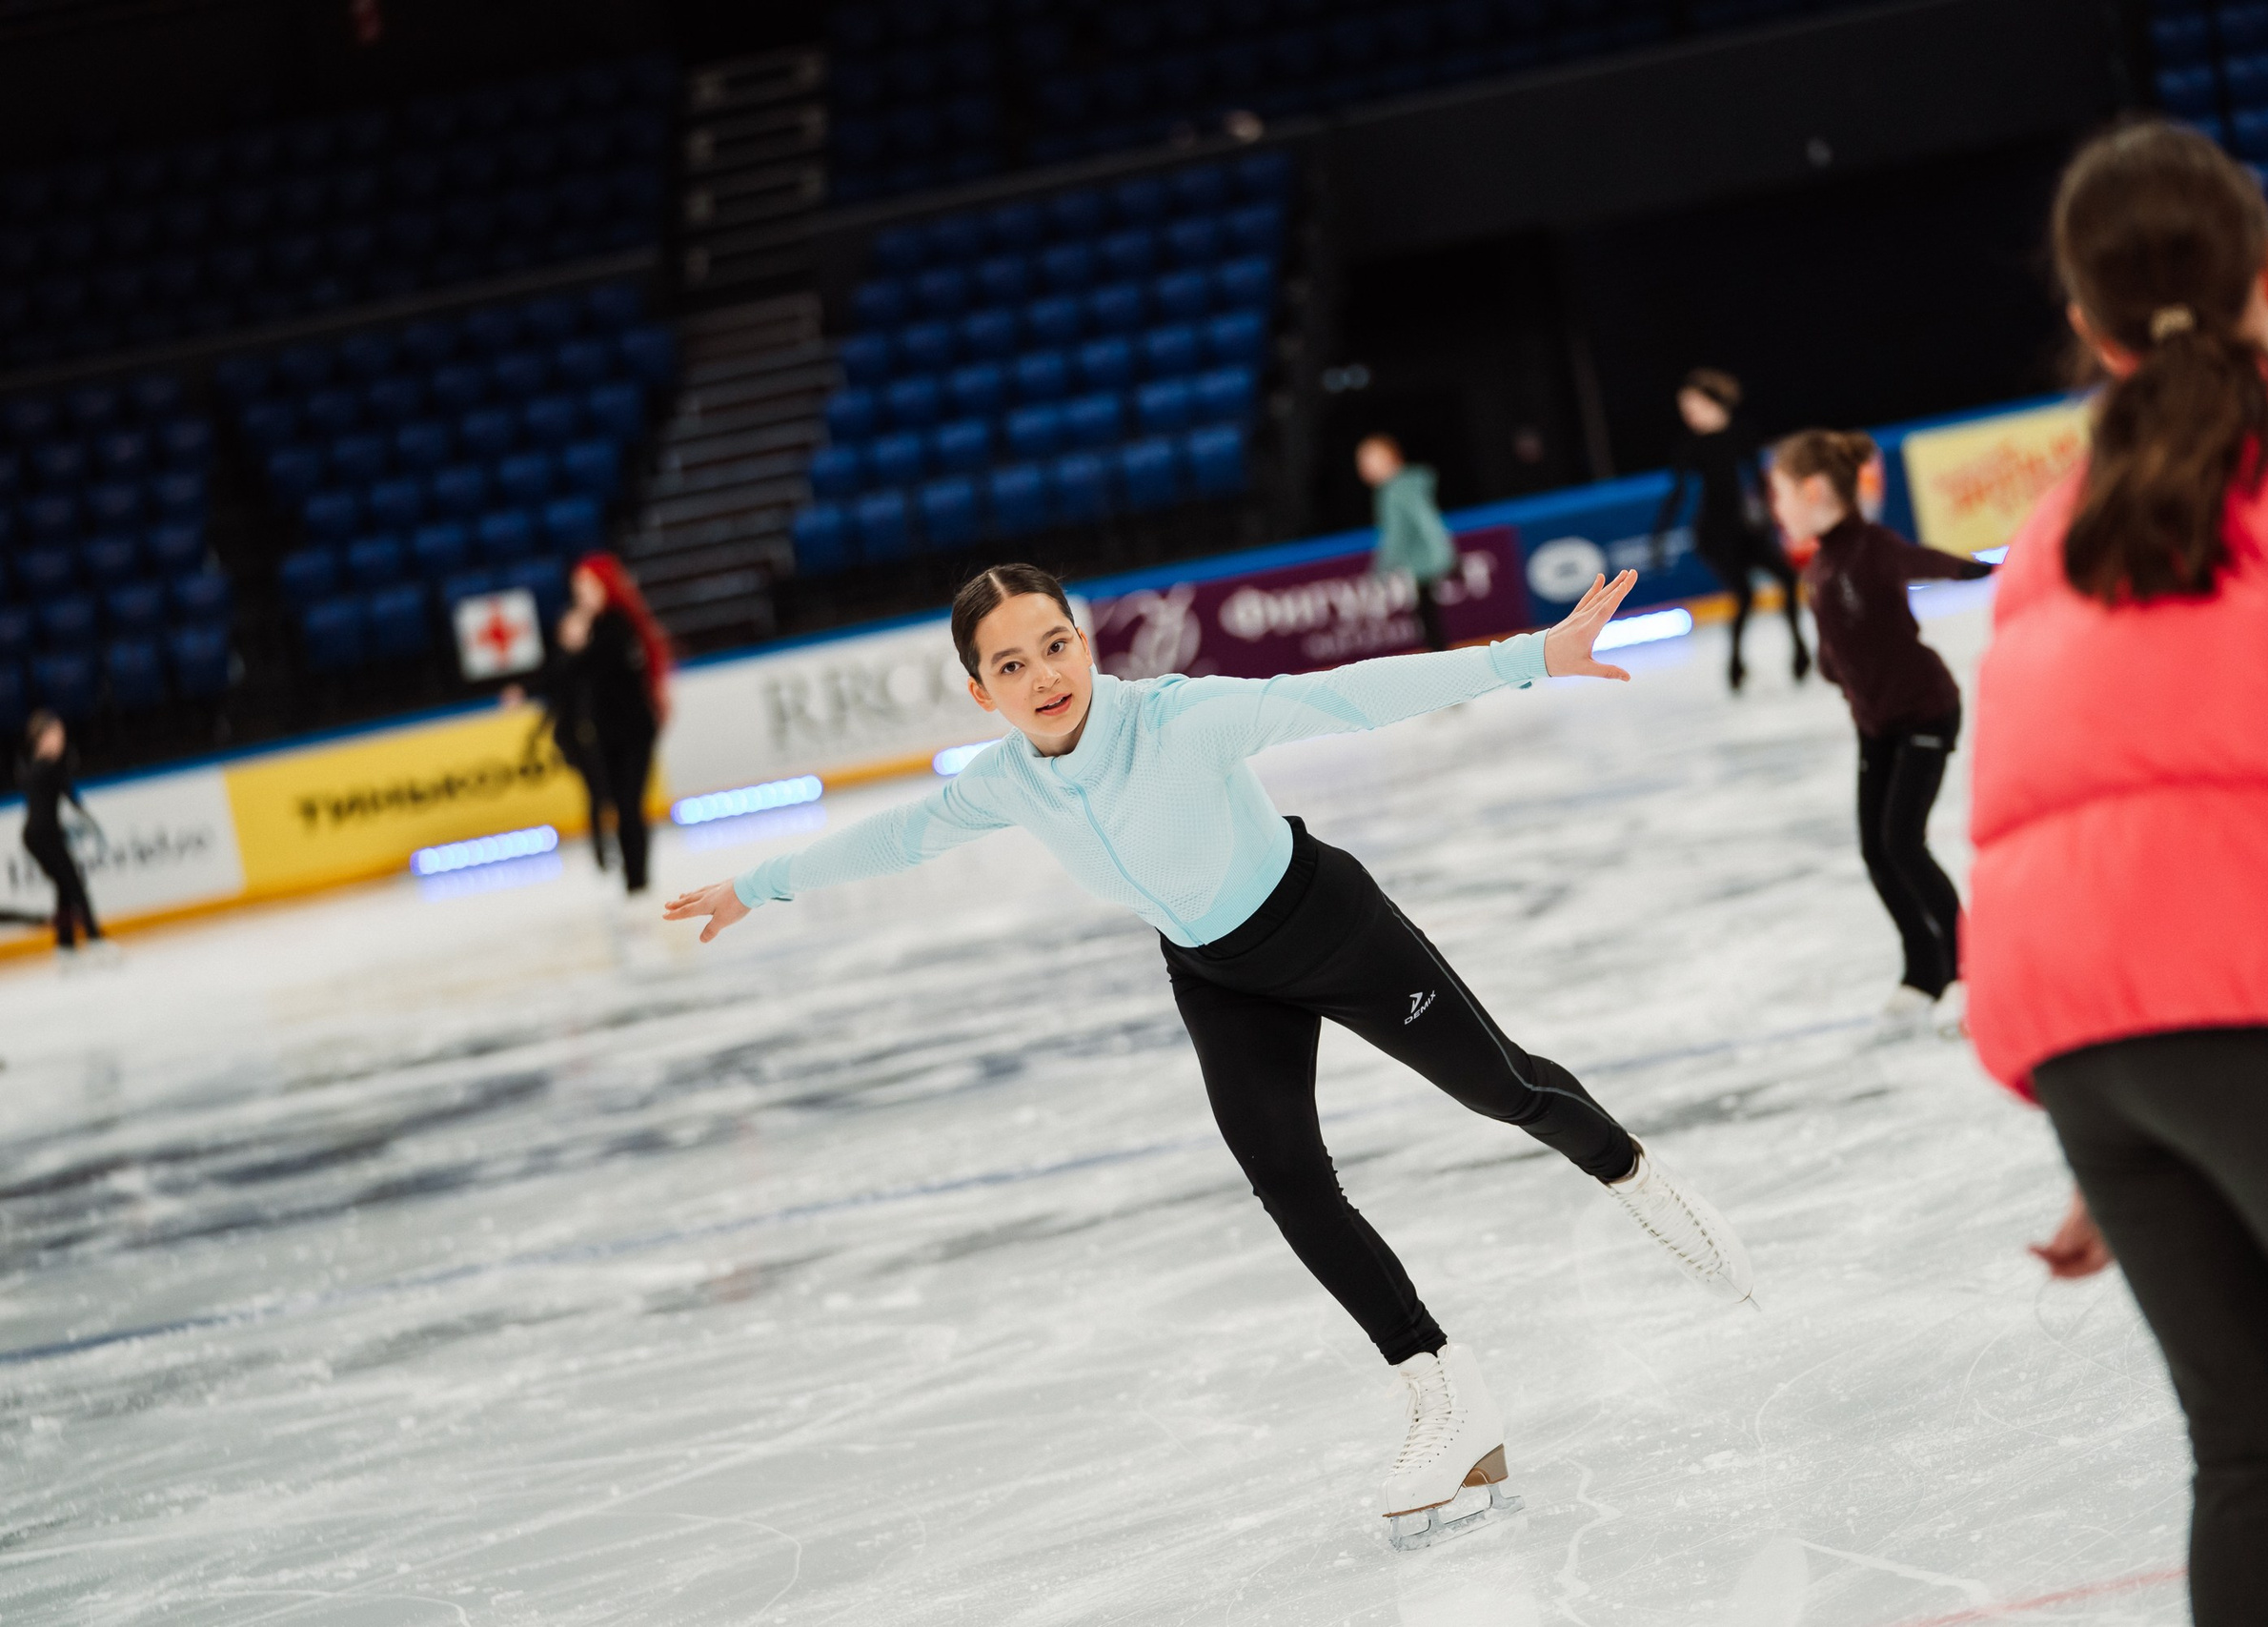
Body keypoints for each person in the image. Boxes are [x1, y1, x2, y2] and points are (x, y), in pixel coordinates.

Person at [664, 561, 1754, 1550]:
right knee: (1288, 1181)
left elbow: (1346, 695)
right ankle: (1440, 1389)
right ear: (978, 691)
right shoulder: (1007, 781)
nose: (1043, 675)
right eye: (1010, 663)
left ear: (1083, 643)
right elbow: (897, 837)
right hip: (1218, 974)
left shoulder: (1175, 718)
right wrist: (755, 886)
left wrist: (1530, 659)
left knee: (1501, 1090)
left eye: (1055, 645)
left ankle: (1632, 1172)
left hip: (1329, 926)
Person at [1970, 122, 2268, 1626]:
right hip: (2257, 1005)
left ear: (2091, 326)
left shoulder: (2066, 510)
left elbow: (2094, 797)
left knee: (2255, 1453)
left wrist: (2137, 1106)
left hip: (2094, 1042)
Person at [1769, 430, 1990, 1023]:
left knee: (1902, 843)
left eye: (1780, 493)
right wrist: (1831, 666)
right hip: (1878, 724)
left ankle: (1973, 969)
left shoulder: (1870, 546)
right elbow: (1834, 644)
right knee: (1876, 849)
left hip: (1924, 711)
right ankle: (1925, 969)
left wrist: (1980, 571)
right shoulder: (1819, 566)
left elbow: (1926, 562)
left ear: (1815, 491)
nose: (1776, 508)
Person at [1652, 369, 1811, 691]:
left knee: (1788, 578)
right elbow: (1678, 493)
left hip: (1747, 527)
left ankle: (1800, 649)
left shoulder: (1742, 433)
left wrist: (1779, 517)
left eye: (1691, 404)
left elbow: (1761, 480)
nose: (1687, 413)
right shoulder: (1690, 446)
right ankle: (1736, 664)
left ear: (1713, 402)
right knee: (1745, 595)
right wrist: (1660, 535)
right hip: (1713, 533)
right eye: (1684, 407)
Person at [561, 554, 671, 894]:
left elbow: (598, 668)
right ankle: (633, 878)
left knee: (628, 804)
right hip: (607, 732)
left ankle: (637, 879)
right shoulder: (594, 627)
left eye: (587, 586)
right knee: (617, 805)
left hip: (634, 731)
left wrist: (575, 646)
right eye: (577, 587)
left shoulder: (617, 625)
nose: (581, 594)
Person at [508, 607, 617, 874]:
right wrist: (522, 691)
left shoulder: (596, 658)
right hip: (575, 738)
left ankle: (607, 846)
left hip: (599, 734)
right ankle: (602, 849)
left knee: (604, 792)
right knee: (597, 791)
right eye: (573, 627)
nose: (579, 631)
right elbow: (547, 687)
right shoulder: (560, 663)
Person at [17, 709, 108, 964]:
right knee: (76, 886)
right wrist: (88, 821)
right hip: (45, 837)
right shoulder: (48, 767)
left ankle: (66, 945)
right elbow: (71, 797)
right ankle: (94, 938)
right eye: (57, 735)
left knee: (65, 888)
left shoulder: (34, 767)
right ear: (43, 737)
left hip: (37, 836)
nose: (62, 741)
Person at [1358, 434, 1458, 651]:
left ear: (1390, 457)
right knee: (1427, 617)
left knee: (1428, 620)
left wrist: (1382, 568)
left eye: (1371, 459)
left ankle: (1443, 665)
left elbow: (1401, 532)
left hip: (1427, 563)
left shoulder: (1395, 490)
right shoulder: (1402, 487)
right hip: (1427, 561)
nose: (1365, 466)